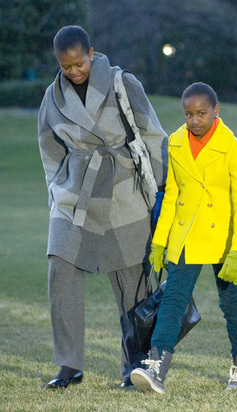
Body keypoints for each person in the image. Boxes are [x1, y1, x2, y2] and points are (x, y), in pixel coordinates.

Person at [38, 26, 167, 389]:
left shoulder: (123, 83)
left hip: (122, 188)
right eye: (66, 67)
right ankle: (69, 365)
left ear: (91, 53)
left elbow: (154, 135)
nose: (74, 71)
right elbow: (48, 148)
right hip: (73, 196)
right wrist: (56, 189)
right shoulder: (53, 97)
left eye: (79, 63)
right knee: (59, 268)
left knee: (131, 281)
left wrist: (159, 191)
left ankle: (136, 365)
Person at [130, 82, 237, 395]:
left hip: (224, 241)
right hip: (185, 237)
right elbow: (172, 196)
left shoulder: (233, 147)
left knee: (232, 305)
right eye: (188, 114)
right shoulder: (174, 142)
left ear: (216, 111)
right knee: (173, 301)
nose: (195, 119)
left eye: (202, 113)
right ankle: (156, 368)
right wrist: (160, 242)